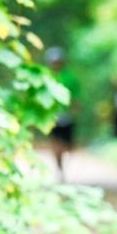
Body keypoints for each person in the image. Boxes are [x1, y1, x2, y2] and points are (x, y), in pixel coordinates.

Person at [45, 47, 78, 181]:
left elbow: (75, 97)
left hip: (67, 116)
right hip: (51, 116)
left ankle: (62, 163)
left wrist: (75, 109)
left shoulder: (70, 77)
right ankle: (59, 168)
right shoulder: (45, 77)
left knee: (67, 145)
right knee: (55, 143)